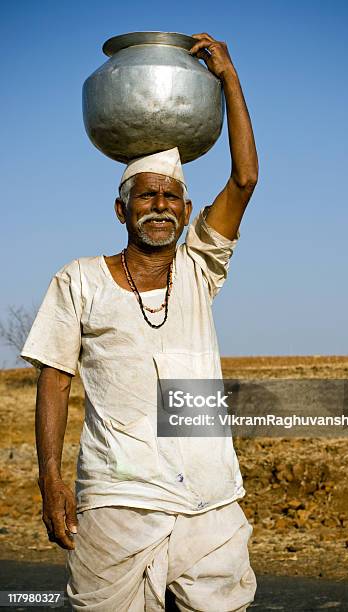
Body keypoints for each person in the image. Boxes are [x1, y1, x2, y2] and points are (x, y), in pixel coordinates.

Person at [21, 33, 258, 611]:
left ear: (184, 209)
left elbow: (245, 180)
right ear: (121, 208)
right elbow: (54, 380)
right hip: (116, 497)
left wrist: (228, 77)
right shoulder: (79, 279)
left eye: (172, 197)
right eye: (146, 196)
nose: (160, 206)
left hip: (208, 497)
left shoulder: (200, 267)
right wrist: (51, 482)